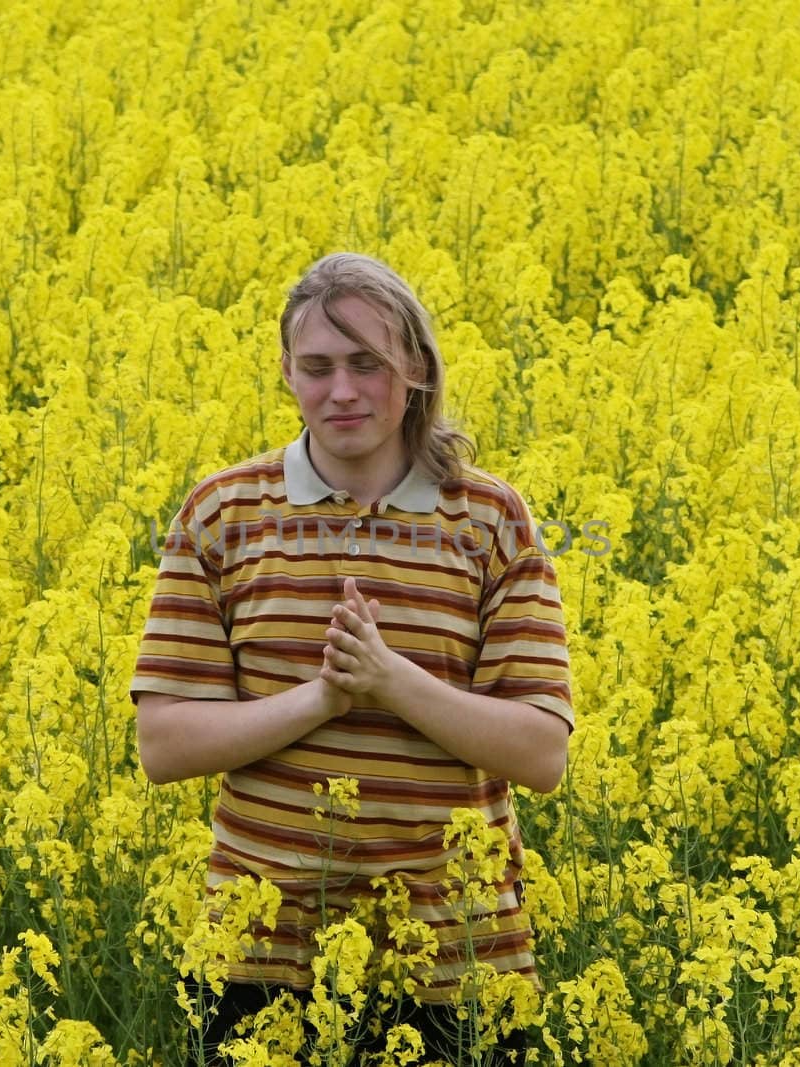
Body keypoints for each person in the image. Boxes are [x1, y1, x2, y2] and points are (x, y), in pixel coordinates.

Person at [131, 252, 574, 1064]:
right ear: (287, 374)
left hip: (457, 960)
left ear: (416, 369)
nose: (343, 390)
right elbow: (163, 744)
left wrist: (388, 680)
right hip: (262, 959)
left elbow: (542, 752)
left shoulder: (491, 517)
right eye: (319, 367)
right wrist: (322, 700)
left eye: (367, 364)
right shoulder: (222, 513)